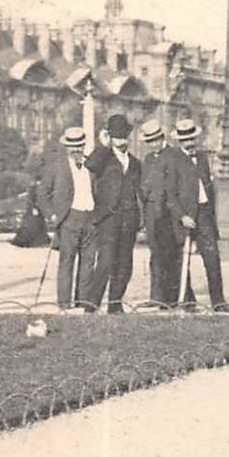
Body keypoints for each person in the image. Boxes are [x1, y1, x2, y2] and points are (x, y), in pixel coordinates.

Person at [83, 114, 143, 313]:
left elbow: (139, 191)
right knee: (106, 261)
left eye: (125, 136)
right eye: (118, 137)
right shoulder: (104, 158)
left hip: (129, 218)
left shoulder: (134, 163)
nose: (122, 141)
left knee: (125, 263)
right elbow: (90, 164)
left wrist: (140, 217)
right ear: (111, 137)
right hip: (108, 217)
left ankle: (115, 304)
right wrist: (104, 145)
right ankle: (91, 305)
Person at [35, 126, 99, 312]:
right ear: (66, 146)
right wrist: (52, 215)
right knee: (67, 262)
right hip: (69, 218)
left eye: (79, 145)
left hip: (90, 218)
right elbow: (42, 193)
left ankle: (84, 302)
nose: (76, 149)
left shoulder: (91, 165)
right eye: (72, 146)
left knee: (88, 263)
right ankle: (64, 304)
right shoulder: (56, 165)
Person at [171, 118, 224, 309]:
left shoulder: (202, 157)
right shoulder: (174, 159)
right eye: (185, 140)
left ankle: (218, 302)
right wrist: (181, 216)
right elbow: (170, 193)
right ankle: (187, 301)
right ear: (179, 141)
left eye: (192, 139)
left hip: (204, 214)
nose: (189, 143)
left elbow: (207, 186)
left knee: (212, 258)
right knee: (182, 260)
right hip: (185, 217)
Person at [138, 119, 182, 307]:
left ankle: (171, 299)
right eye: (149, 141)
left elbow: (174, 187)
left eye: (155, 140)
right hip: (151, 214)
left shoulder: (172, 156)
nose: (153, 144)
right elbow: (143, 186)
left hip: (167, 215)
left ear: (162, 138)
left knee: (169, 255)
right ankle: (155, 297)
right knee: (155, 256)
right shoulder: (148, 159)